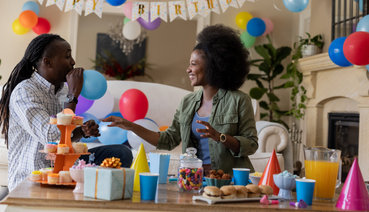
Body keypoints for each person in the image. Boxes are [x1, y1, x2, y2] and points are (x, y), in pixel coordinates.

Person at [103, 24, 258, 175]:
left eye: (193, 64)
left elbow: (251, 144)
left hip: (229, 179)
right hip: (194, 178)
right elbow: (168, 140)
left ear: (214, 66)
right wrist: (130, 126)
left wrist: (221, 137)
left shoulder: (239, 100)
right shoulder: (188, 102)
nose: (188, 69)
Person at [0, 34, 132, 191]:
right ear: (48, 62)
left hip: (64, 168)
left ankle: (93, 198)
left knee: (121, 153)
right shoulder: (25, 91)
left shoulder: (62, 91)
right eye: (67, 56)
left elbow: (63, 142)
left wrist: (81, 131)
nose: (73, 62)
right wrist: (73, 96)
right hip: (35, 176)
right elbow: (52, 137)